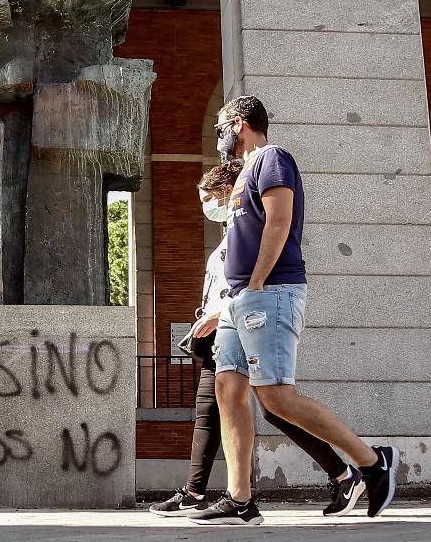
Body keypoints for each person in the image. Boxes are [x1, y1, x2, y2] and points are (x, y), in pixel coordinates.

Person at [188, 95, 400, 526]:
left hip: (270, 291)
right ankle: (240, 500)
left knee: (276, 397)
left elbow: (279, 222)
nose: (218, 135)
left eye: (221, 126)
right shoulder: (242, 172)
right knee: (229, 392)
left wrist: (259, 281)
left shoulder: (272, 159)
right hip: (237, 299)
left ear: (241, 123)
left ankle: (373, 462)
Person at [148, 161, 358, 521]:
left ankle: (352, 469)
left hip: (242, 319)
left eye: (210, 196)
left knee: (273, 403)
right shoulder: (231, 233)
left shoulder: (245, 229)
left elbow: (243, 282)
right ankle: (208, 493)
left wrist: (220, 312)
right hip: (226, 327)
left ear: (230, 191)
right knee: (216, 406)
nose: (207, 205)